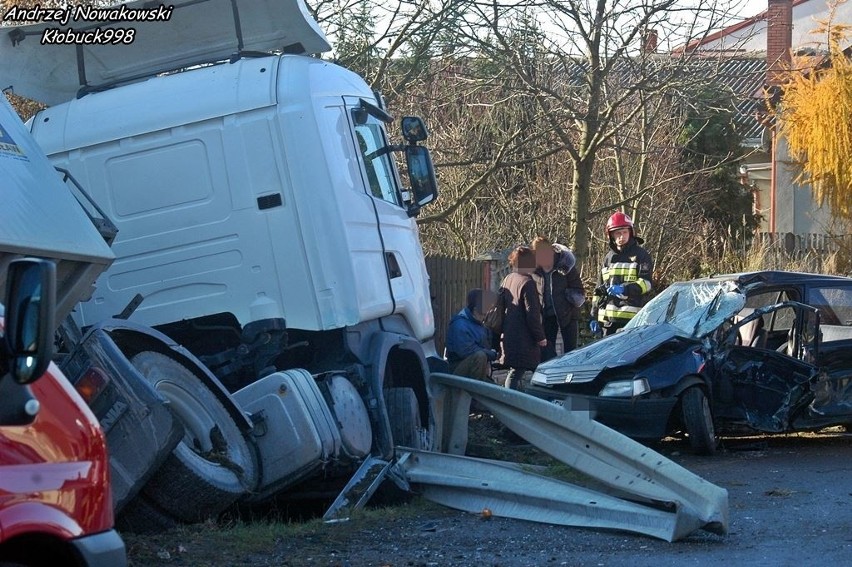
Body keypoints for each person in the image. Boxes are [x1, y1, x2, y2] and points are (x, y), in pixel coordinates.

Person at [591, 212, 654, 336]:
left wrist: (624, 289)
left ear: (631, 232)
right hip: (608, 323)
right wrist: (593, 315)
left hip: (631, 321)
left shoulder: (641, 255)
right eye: (618, 233)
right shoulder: (608, 258)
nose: (622, 236)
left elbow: (646, 284)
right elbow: (599, 289)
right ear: (611, 236)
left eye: (625, 232)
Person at [499, 246, 547, 391]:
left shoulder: (508, 279)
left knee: (517, 371)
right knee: (528, 371)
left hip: (509, 335)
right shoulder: (528, 283)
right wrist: (540, 337)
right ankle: (514, 401)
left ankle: (512, 400)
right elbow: (532, 314)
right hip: (524, 339)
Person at [531, 236, 585, 361]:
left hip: (567, 313)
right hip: (546, 315)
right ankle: (552, 377)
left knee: (571, 352)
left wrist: (569, 297)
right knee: (546, 352)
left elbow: (579, 290)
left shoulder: (565, 265)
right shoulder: (535, 271)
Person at [445, 289, 499, 381]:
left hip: (474, 369)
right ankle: (473, 393)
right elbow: (468, 351)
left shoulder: (479, 324)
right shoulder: (459, 325)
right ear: (475, 309)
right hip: (457, 371)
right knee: (479, 356)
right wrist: (492, 354)